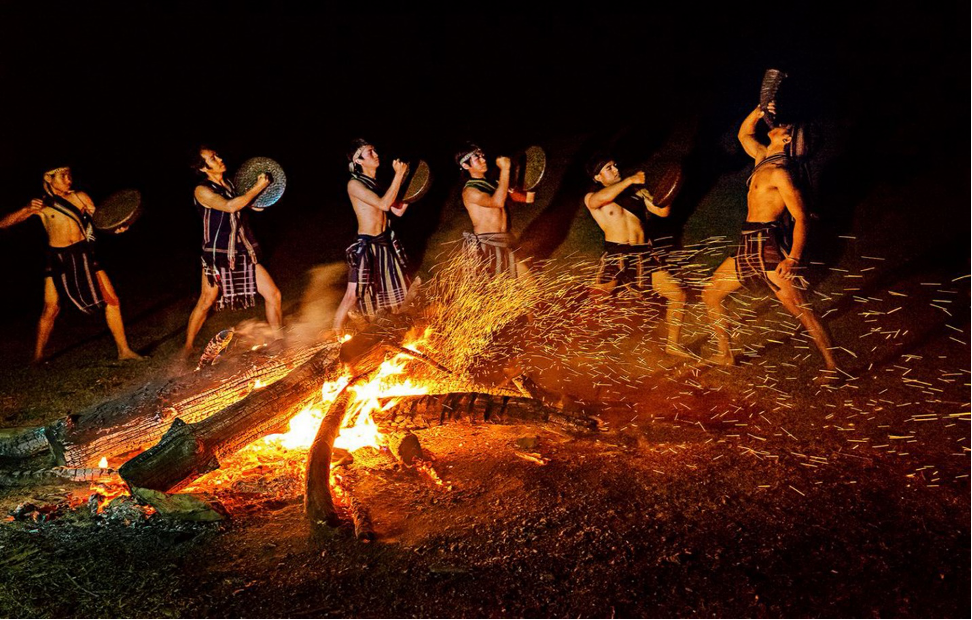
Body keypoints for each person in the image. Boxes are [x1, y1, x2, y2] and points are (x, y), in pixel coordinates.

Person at [701, 104, 836, 375]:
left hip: (769, 248)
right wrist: (759, 109)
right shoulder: (762, 157)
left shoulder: (781, 174)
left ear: (787, 140)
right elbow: (743, 135)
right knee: (710, 294)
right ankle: (724, 354)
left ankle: (834, 366)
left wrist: (794, 257)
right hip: (747, 242)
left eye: (785, 128)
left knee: (801, 310)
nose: (779, 124)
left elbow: (801, 217)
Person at [0, 166, 141, 362]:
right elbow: (4, 223)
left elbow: (101, 220)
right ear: (48, 178)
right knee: (51, 308)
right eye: (63, 176)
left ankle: (124, 351)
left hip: (83, 254)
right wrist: (26, 209)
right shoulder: (42, 205)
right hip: (57, 258)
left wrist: (116, 228)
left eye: (70, 175)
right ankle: (37, 357)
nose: (68, 180)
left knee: (112, 300)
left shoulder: (80, 197)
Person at [584, 155, 690, 357]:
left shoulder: (638, 192)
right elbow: (601, 200)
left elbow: (662, 212)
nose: (615, 169)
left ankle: (673, 345)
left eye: (615, 165)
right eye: (608, 168)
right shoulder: (592, 196)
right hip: (617, 255)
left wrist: (668, 191)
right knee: (596, 302)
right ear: (597, 177)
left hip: (643, 255)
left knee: (678, 294)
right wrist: (630, 180)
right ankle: (582, 343)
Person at [184, 147, 282, 355]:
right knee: (206, 301)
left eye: (217, 155)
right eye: (212, 158)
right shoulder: (201, 190)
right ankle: (188, 348)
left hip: (241, 251)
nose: (220, 159)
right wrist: (256, 187)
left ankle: (279, 340)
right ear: (202, 168)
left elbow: (246, 203)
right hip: (218, 255)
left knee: (273, 294)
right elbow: (230, 206)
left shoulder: (228, 184)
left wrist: (264, 195)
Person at [332, 139, 413, 333]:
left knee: (399, 290)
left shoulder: (378, 183)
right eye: (369, 152)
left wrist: (413, 186)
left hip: (384, 243)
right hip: (366, 245)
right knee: (352, 294)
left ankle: (391, 331)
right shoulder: (354, 184)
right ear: (357, 160)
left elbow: (398, 210)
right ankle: (333, 335)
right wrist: (399, 175)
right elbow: (384, 205)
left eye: (375, 151)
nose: (376, 155)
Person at [455, 142, 530, 278]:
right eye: (477, 158)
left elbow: (527, 199)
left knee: (531, 287)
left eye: (482, 156)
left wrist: (531, 180)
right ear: (466, 165)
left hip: (505, 242)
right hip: (489, 246)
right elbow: (497, 202)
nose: (483, 160)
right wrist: (505, 170)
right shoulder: (470, 191)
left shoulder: (492, 184)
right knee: (503, 293)